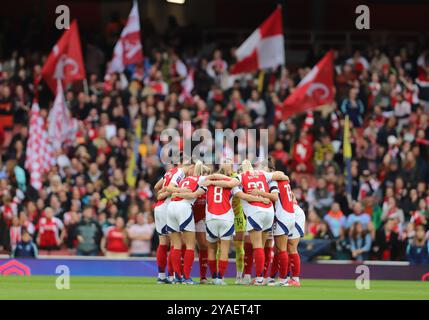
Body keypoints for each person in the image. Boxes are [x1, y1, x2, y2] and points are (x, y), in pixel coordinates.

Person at [174, 165, 269, 285]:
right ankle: (220, 278)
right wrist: (262, 199)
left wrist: (178, 193)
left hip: (210, 219)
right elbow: (244, 196)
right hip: (226, 219)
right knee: (224, 250)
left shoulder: (207, 183)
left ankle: (213, 277)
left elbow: (194, 194)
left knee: (212, 250)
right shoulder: (232, 184)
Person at [166, 161, 207, 284]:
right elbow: (211, 179)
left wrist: (178, 191)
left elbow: (168, 188)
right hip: (183, 207)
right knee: (190, 245)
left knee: (176, 245)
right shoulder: (202, 178)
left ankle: (176, 277)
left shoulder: (184, 179)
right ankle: (186, 278)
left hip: (171, 206)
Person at [153, 163, 190, 284]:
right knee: (175, 242)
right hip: (167, 207)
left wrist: (161, 194)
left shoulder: (169, 172)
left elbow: (156, 186)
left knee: (163, 243)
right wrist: (180, 190)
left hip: (159, 207)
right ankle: (172, 275)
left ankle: (162, 276)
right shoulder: (180, 173)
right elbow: (170, 187)